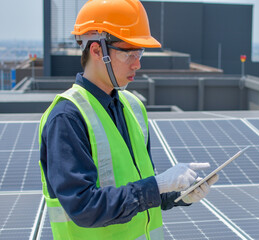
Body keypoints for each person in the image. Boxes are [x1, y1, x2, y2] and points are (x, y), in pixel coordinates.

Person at [39, 0, 219, 239]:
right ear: (96, 50)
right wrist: (158, 185)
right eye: (129, 53)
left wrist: (178, 195)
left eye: (140, 52)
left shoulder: (133, 107)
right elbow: (83, 207)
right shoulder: (67, 118)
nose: (138, 63)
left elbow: (138, 191)